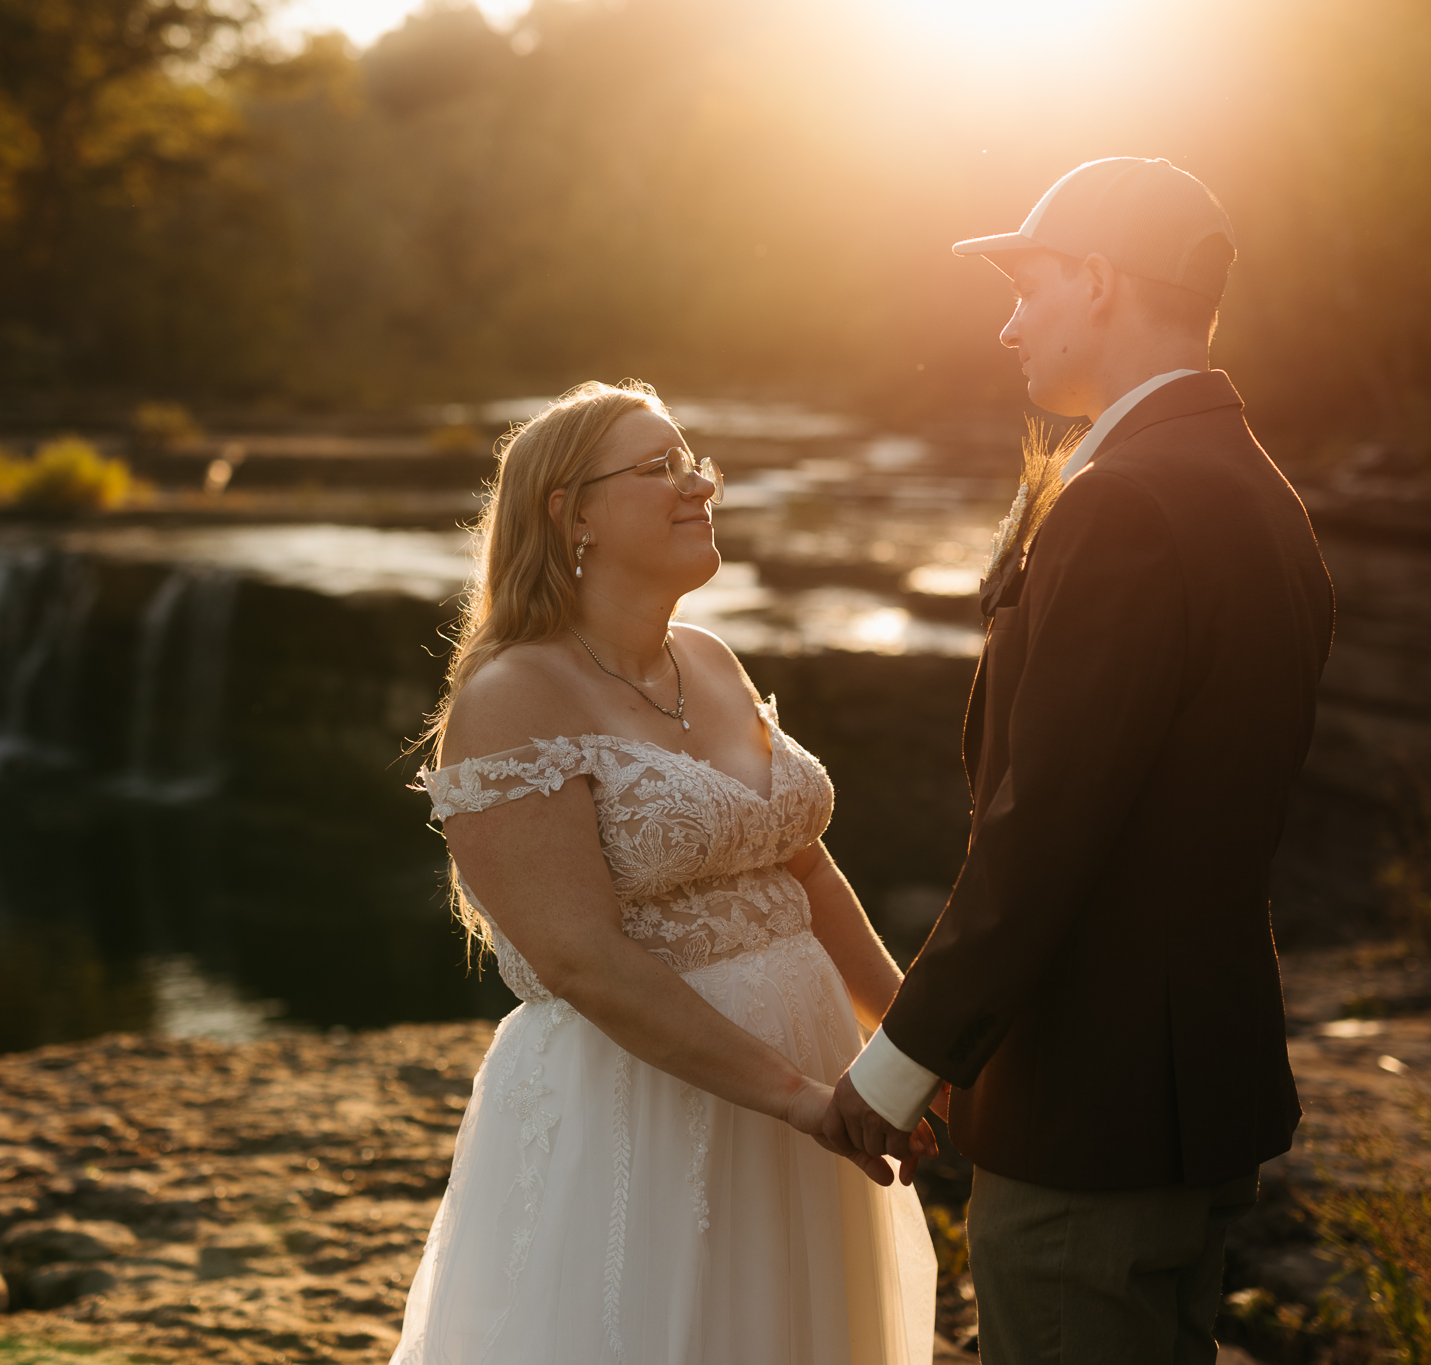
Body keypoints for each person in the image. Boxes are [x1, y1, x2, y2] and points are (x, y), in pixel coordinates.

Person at [818, 157, 1338, 1363]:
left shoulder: (1123, 502)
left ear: (1098, 281)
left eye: (1028, 284)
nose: (1007, 323)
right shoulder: (1258, 492)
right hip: (1199, 1087)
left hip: (1087, 1112)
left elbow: (1039, 835)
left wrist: (902, 1064)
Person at [389, 380, 937, 1364]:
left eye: (694, 463)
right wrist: (792, 1098)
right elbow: (582, 961)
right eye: (658, 468)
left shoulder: (712, 659)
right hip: (646, 1114)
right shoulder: (514, 694)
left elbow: (802, 869)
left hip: (814, 1093)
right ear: (571, 513)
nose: (698, 486)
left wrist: (908, 1042)